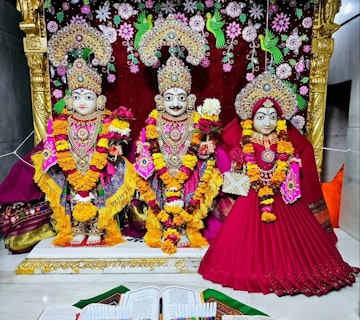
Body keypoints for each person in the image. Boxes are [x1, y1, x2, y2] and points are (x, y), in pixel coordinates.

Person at [198, 72, 359, 296]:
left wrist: (292, 164)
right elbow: (233, 163)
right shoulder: (246, 140)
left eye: (272, 116)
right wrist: (238, 163)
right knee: (245, 245)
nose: (267, 122)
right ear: (250, 119)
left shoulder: (284, 141)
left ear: (280, 119)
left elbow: (293, 163)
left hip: (283, 197)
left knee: (292, 247)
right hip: (251, 198)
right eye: (261, 116)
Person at [32, 23, 136, 247]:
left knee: (99, 193)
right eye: (77, 96)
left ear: (99, 100)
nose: (81, 102)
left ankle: (97, 226)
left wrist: (113, 149)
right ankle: (78, 226)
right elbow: (53, 144)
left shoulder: (105, 120)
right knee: (72, 195)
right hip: (71, 167)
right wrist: (58, 155)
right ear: (69, 99)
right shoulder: (61, 122)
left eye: (88, 97)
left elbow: (112, 144)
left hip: (97, 169)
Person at [135, 15, 222, 254]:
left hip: (188, 171)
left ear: (191, 100)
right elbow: (144, 144)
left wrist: (205, 149)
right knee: (160, 192)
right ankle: (164, 226)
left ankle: (184, 228)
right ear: (160, 100)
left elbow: (205, 147)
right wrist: (144, 151)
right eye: (170, 97)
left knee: (191, 191)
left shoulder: (197, 122)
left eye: (181, 97)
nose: (175, 103)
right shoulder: (153, 122)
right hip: (161, 172)